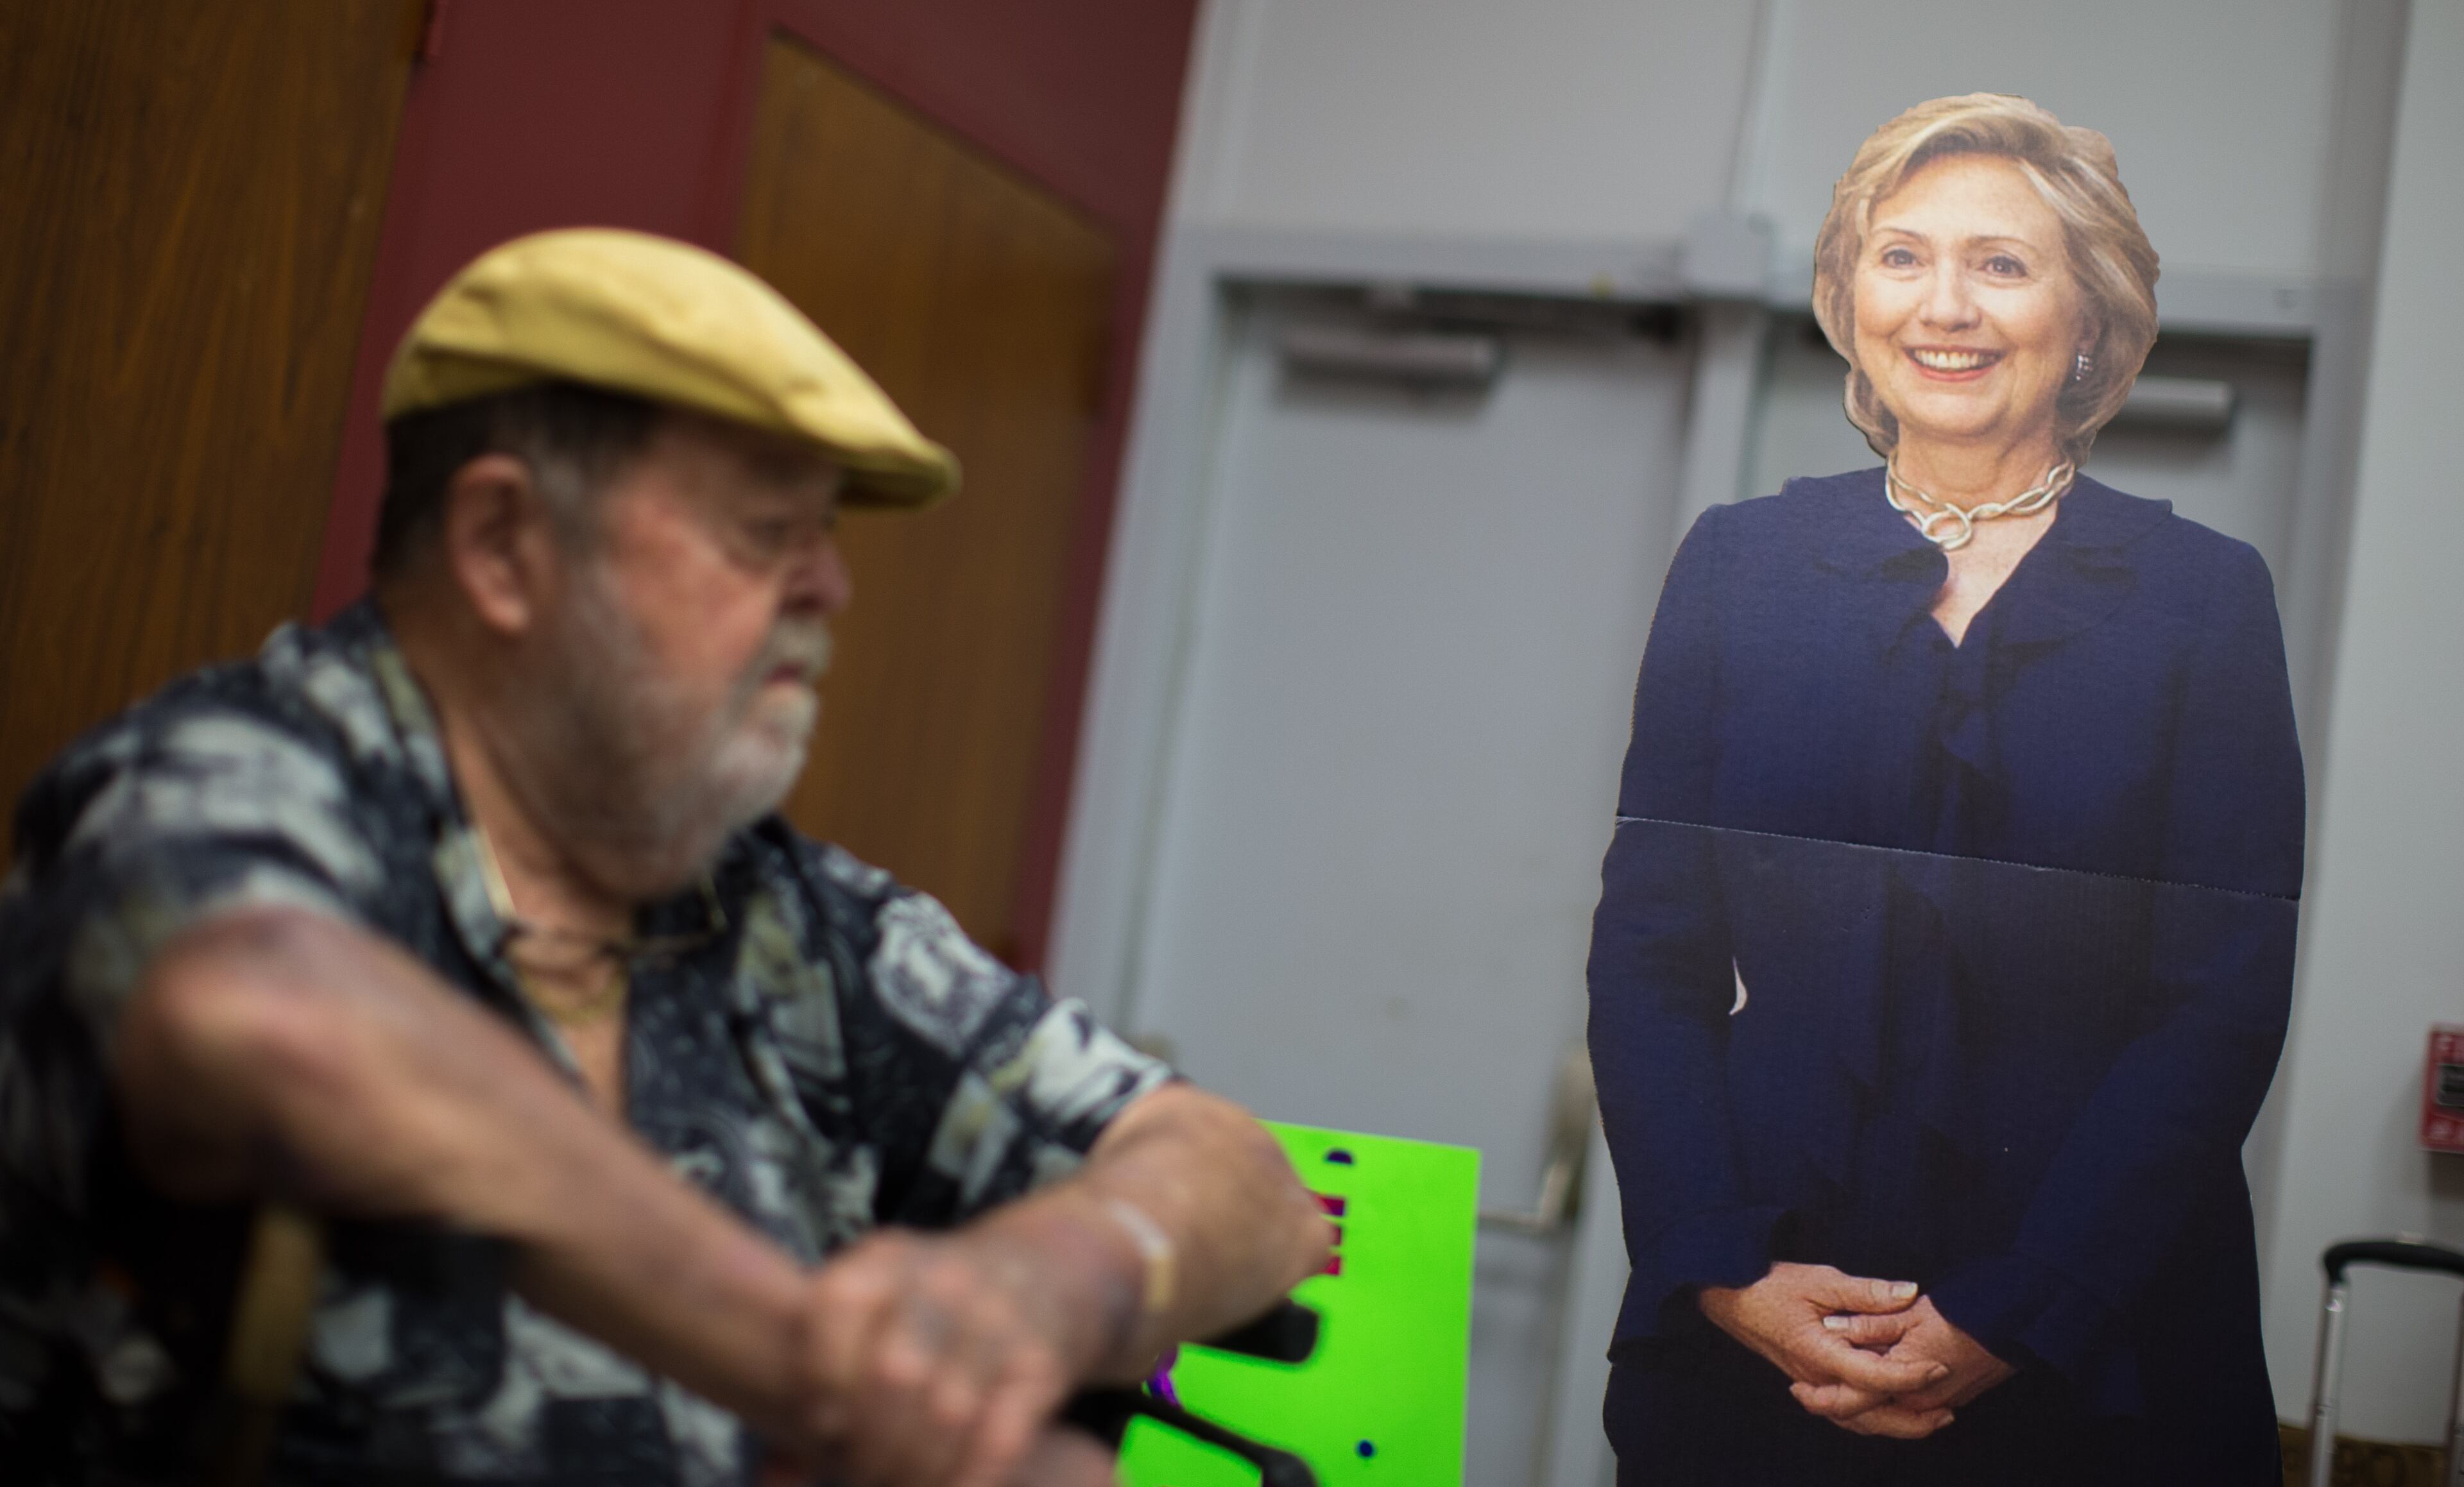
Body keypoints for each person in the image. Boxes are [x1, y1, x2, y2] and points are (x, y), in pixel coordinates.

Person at [0, 228, 1330, 1486]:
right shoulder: (241, 776)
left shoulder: (780, 915)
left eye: (828, 534)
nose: (831, 587)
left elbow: (1233, 1171)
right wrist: (838, 1376)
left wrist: (1052, 1284)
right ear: (504, 546)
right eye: (766, 531)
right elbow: (262, 1015)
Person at [1586, 94, 2303, 1483]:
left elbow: (2217, 1002)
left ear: (2089, 316)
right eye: (1902, 256)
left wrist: (2021, 1305)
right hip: (1769, 1297)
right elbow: (1650, 959)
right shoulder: (1739, 566)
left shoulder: (2204, 600)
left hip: (2094, 1324)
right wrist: (1719, 1262)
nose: (1945, 306)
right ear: (1851, 299)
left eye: (2003, 262)